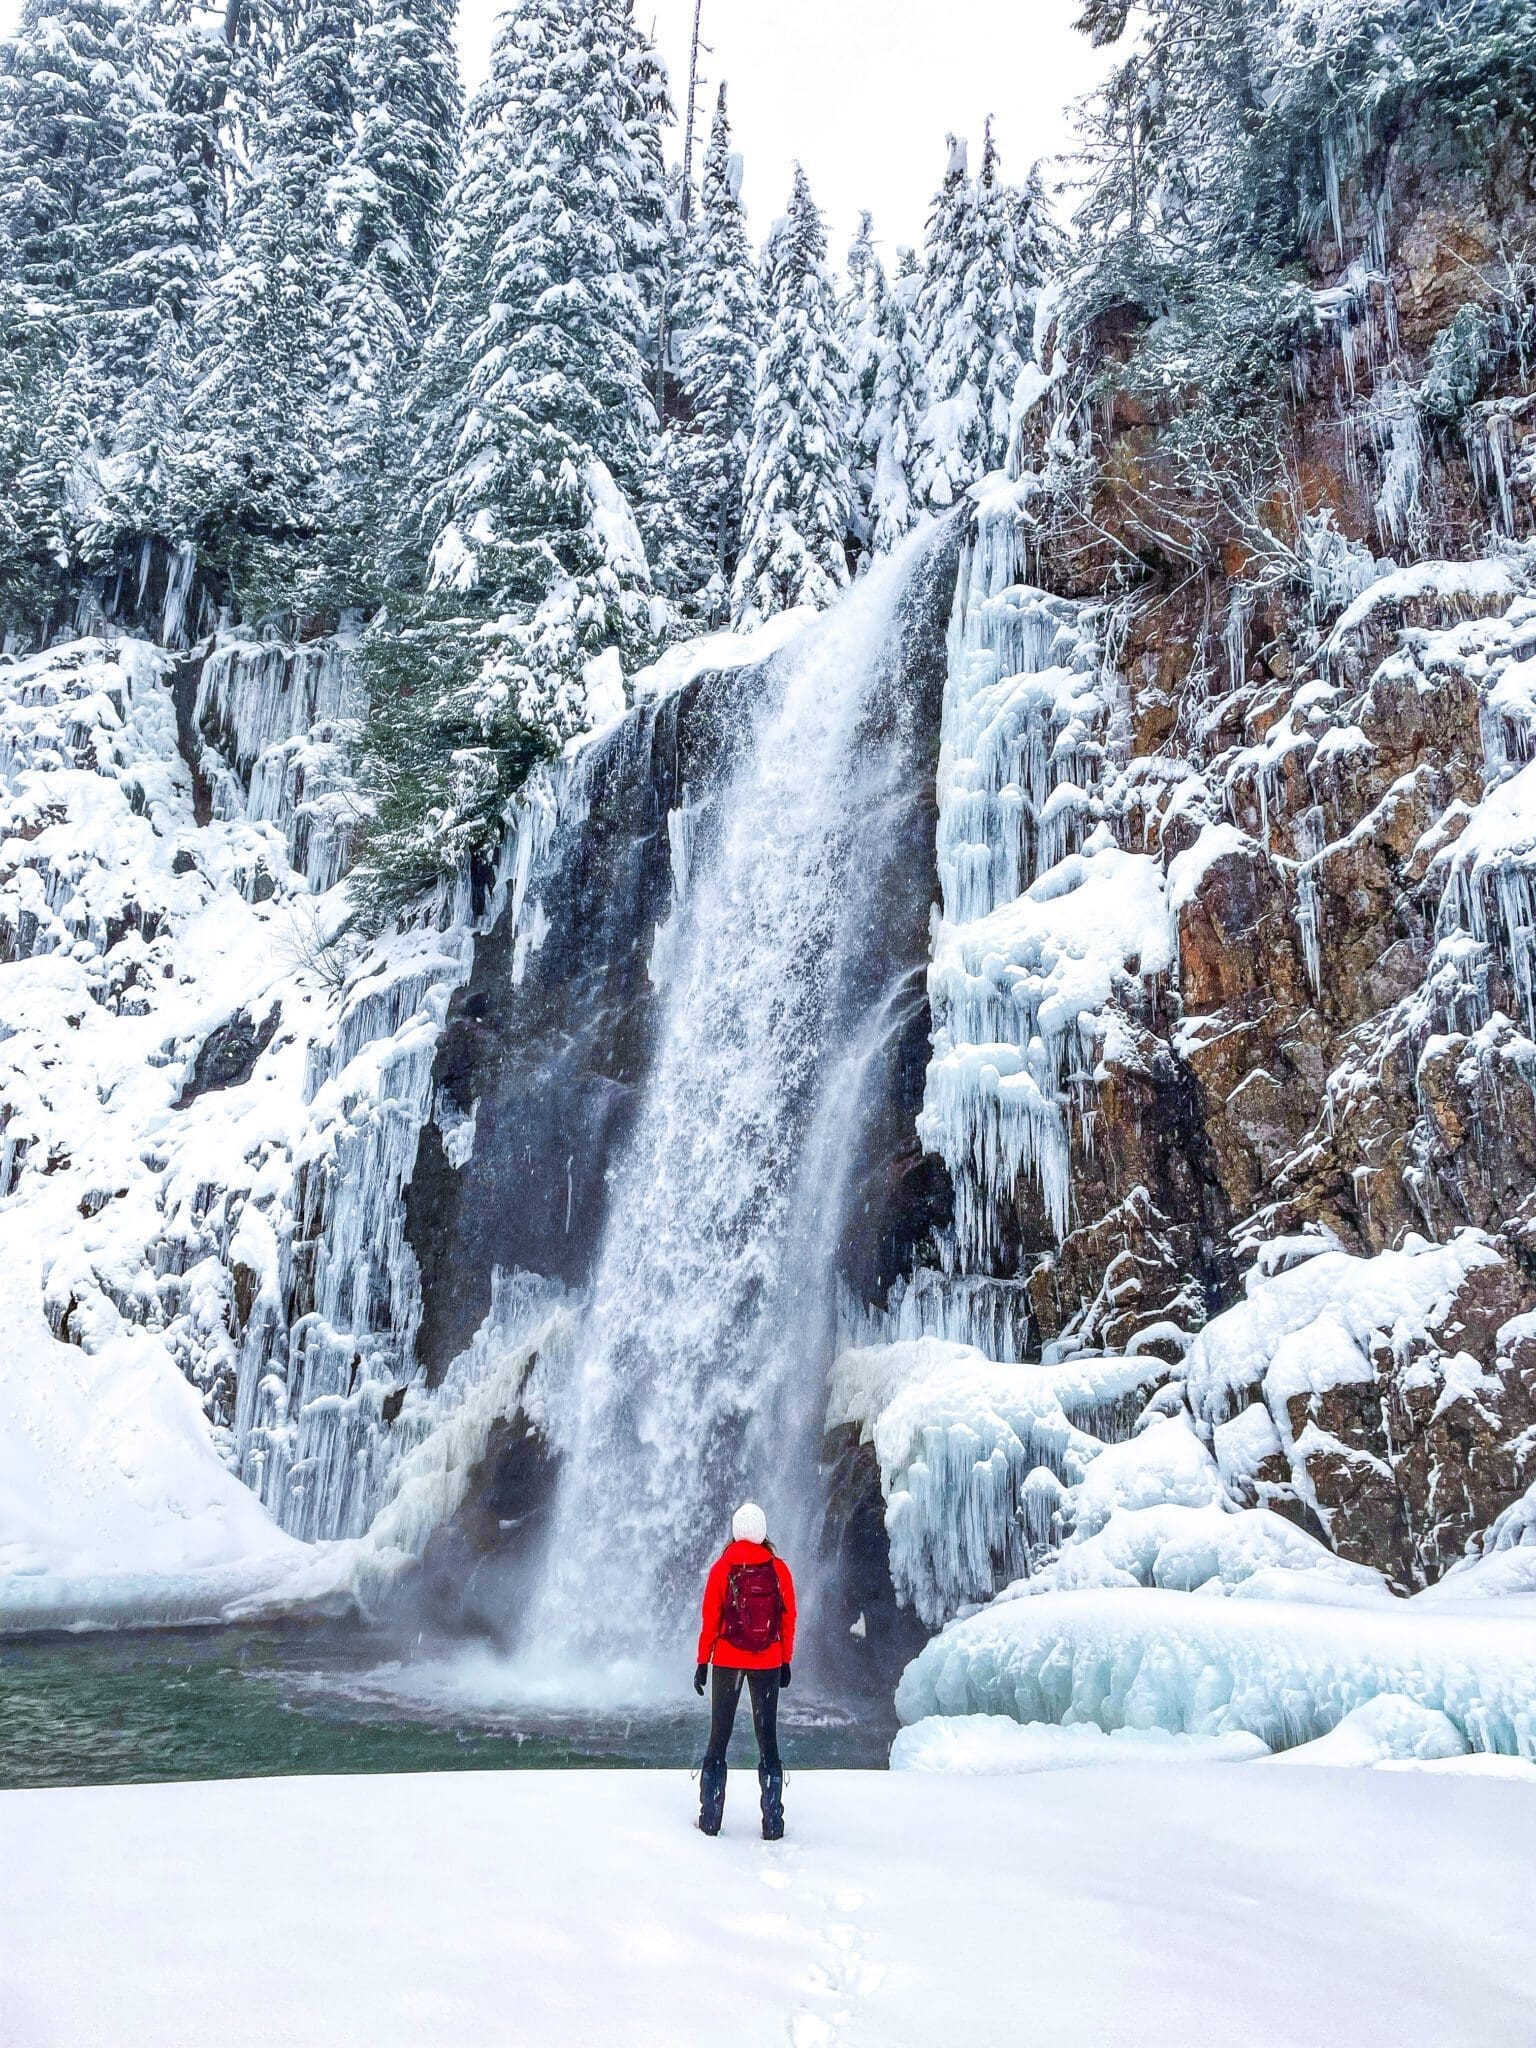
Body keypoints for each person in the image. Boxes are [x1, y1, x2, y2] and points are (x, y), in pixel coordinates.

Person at [693, 1501, 796, 1839]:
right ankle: (773, 1823)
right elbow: (788, 1618)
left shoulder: (723, 1568)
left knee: (718, 1739)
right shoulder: (778, 1569)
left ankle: (710, 1819)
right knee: (768, 1741)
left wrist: (702, 1661)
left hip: (726, 1659)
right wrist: (785, 1659)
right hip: (767, 1661)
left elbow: (711, 1619)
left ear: (736, 1531)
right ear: (763, 1532)